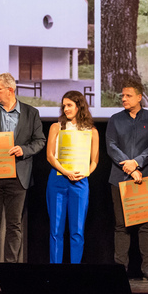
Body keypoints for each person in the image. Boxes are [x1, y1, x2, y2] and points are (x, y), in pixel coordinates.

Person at [0, 73, 46, 280]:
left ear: (10, 90)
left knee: (14, 225)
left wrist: (24, 150)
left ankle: (11, 269)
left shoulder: (31, 113)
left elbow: (40, 141)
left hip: (18, 176)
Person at [106, 78, 148, 280]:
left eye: (128, 95)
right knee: (121, 225)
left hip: (145, 177)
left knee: (146, 225)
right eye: (122, 95)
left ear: (139, 97)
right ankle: (121, 269)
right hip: (120, 178)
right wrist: (129, 167)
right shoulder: (115, 119)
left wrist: (137, 163)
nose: (124, 99)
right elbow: (111, 146)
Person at [45, 91, 99, 264]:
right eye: (64, 105)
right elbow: (50, 156)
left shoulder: (91, 130)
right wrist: (66, 171)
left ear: (79, 106)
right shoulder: (57, 126)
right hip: (58, 180)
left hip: (80, 182)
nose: (66, 108)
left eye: (69, 105)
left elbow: (95, 161)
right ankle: (55, 270)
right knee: (56, 229)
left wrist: (86, 172)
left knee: (77, 230)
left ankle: (75, 270)